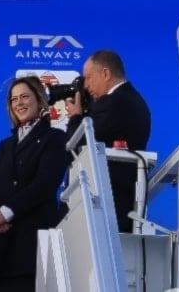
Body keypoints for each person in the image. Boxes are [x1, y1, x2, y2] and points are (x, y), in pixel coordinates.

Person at [0, 76, 70, 292]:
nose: (19, 103)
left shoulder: (54, 138)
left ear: (39, 100)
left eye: (24, 97)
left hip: (30, 250)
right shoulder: (5, 145)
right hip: (0, 251)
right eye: (14, 99)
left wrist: (6, 212)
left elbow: (44, 185)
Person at [64, 49, 151, 232]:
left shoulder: (113, 102)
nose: (85, 86)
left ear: (105, 73)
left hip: (108, 201)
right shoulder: (135, 100)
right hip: (125, 201)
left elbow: (80, 143)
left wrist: (75, 117)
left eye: (88, 77)